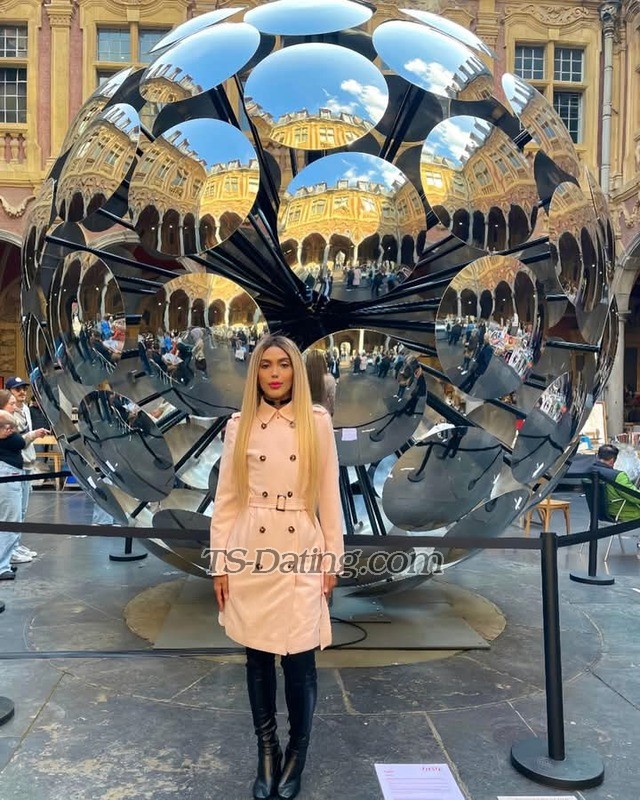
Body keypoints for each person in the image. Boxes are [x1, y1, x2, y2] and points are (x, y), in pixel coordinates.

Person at [209, 334, 343, 800]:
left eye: (283, 364)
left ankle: (297, 754)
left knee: (301, 658)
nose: (274, 373)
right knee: (258, 657)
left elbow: (329, 497)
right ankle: (267, 750)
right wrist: (220, 565)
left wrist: (331, 560)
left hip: (302, 549)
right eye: (265, 365)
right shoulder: (240, 425)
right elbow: (227, 501)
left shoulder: (317, 423)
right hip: (251, 551)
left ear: (295, 372)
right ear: (256, 373)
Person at [0, 386, 49, 562]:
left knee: (17, 512)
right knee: (10, 516)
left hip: (18, 468)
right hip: (7, 471)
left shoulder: (20, 413)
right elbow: (19, 441)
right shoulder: (5, 420)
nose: (15, 407)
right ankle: (6, 558)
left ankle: (13, 548)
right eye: (11, 403)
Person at [592, 445, 640, 543]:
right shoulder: (617, 476)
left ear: (598, 456)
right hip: (622, 512)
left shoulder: (589, 472)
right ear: (612, 460)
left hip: (597, 511)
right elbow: (634, 497)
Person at [305, 349, 336, 417]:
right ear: (323, 362)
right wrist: (332, 411)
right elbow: (332, 398)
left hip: (306, 412)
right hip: (323, 412)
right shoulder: (330, 379)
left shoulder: (303, 378)